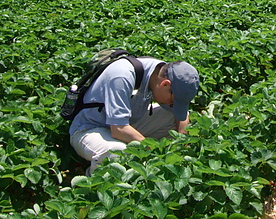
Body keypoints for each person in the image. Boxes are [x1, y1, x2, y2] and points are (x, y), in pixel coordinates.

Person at [69, 57, 200, 176]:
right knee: (117, 151)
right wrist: (154, 152)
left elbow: (181, 117)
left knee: (173, 117)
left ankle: (140, 161)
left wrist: (185, 145)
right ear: (165, 84)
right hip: (89, 129)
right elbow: (118, 129)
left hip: (125, 123)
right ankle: (93, 185)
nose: (171, 105)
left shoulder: (162, 72)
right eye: (173, 101)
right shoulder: (121, 76)